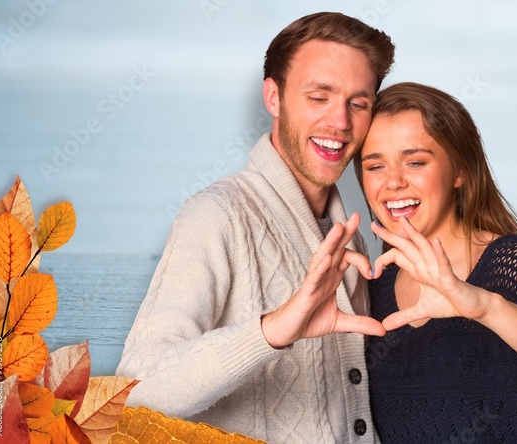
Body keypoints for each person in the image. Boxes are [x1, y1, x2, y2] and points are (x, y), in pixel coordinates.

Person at [116, 13, 393, 443]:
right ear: (274, 97)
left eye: (358, 103)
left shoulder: (350, 240)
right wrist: (272, 331)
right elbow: (134, 394)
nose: (340, 121)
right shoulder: (216, 215)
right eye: (319, 96)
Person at [355, 82, 517, 443]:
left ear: (458, 172)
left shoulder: (510, 260)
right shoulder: (374, 291)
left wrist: (482, 305)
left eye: (415, 162)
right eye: (375, 166)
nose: (393, 182)